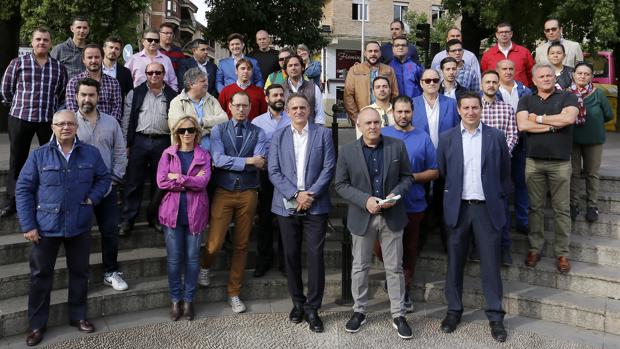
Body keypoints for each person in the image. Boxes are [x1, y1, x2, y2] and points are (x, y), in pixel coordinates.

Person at [16, 110, 110, 346]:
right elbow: (24, 189)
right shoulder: (39, 155)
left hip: (79, 224)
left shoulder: (90, 153)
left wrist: (92, 198)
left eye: (70, 123)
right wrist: (28, 225)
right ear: (53, 127)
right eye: (60, 124)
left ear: (76, 126)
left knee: (80, 273)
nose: (65, 127)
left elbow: (104, 178)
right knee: (40, 277)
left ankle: (78, 316)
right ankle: (37, 325)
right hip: (46, 227)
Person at [436, 91, 511, 343]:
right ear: (458, 110)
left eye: (475, 107)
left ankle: (495, 316)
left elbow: (504, 174)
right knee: (454, 263)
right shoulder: (446, 138)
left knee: (490, 265)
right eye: (466, 107)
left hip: (487, 209)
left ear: (481, 109)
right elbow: (443, 174)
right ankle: (453, 311)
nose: (470, 112)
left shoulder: (496, 137)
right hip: (458, 209)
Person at [335, 107, 414, 339]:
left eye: (376, 122)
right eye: (367, 123)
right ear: (358, 125)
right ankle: (359, 311)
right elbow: (340, 184)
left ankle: (398, 314)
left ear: (381, 123)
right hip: (362, 216)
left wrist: (395, 195)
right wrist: (364, 200)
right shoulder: (347, 151)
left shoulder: (396, 146)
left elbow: (407, 177)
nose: (372, 127)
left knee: (395, 268)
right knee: (359, 267)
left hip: (392, 215)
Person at [268, 94, 336, 332]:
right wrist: (296, 195)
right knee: (291, 255)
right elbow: (273, 171)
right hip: (286, 206)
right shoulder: (278, 136)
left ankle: (313, 308)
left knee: (316, 256)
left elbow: (329, 167)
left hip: (315, 205)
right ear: (287, 111)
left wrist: (309, 195)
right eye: (294, 108)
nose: (298, 111)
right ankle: (297, 302)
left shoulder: (323, 134)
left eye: (302, 107)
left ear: (309, 110)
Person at [199, 91, 267, 314]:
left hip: (248, 192)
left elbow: (261, 161)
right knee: (215, 241)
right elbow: (218, 160)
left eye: (245, 106)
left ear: (249, 108)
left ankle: (234, 292)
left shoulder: (258, 132)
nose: (241, 109)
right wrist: (247, 161)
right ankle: (205, 265)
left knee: (242, 244)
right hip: (224, 191)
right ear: (229, 106)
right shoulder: (219, 130)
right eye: (237, 105)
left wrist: (239, 162)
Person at [377, 95, 438, 312]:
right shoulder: (382, 134)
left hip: (413, 204)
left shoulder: (422, 137)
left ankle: (403, 291)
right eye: (399, 111)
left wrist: (412, 177)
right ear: (392, 111)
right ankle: (394, 277)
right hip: (385, 204)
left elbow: (434, 171)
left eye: (407, 112)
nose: (403, 116)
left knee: (409, 249)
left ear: (413, 112)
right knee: (379, 247)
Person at [516, 63, 579, 273]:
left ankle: (562, 253)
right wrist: (553, 126)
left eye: (550, 75)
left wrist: (540, 120)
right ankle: (535, 248)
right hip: (534, 162)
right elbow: (523, 125)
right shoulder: (526, 99)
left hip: (561, 162)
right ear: (534, 80)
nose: (546, 78)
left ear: (555, 78)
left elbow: (569, 118)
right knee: (535, 209)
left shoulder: (568, 97)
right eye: (541, 76)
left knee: (562, 209)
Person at [0, 27, 68, 218]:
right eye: (38, 39)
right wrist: (17, 108)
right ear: (32, 42)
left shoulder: (58, 68)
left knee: (49, 160)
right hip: (21, 118)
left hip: (47, 121)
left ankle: (45, 198)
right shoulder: (18, 63)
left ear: (51, 43)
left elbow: (62, 95)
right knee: (17, 160)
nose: (41, 43)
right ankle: (12, 201)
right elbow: (5, 90)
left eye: (45, 40)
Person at [75, 78, 129, 291]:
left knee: (110, 232)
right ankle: (81, 275)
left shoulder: (111, 122)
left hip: (106, 189)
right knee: (80, 235)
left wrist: (114, 179)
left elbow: (120, 153)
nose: (87, 99)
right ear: (77, 96)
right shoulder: (69, 122)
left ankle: (111, 271)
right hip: (79, 191)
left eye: (91, 95)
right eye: (83, 95)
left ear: (98, 97)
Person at [157, 116, 211, 321]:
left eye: (190, 130)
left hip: (195, 214)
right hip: (172, 214)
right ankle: (175, 300)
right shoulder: (168, 154)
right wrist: (190, 181)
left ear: (197, 132)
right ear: (176, 133)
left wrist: (177, 178)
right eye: (182, 130)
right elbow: (162, 182)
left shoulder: (203, 155)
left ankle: (188, 300)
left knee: (192, 259)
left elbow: (203, 182)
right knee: (173, 260)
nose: (186, 134)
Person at [120, 62, 177, 235]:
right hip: (139, 141)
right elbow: (126, 120)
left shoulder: (172, 95)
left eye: (158, 72)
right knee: (133, 182)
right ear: (145, 74)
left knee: (159, 183)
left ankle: (155, 218)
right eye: (150, 72)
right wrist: (126, 144)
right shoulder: (135, 93)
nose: (154, 76)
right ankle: (127, 220)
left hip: (162, 142)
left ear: (163, 74)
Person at [412, 69, 460, 251]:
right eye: (427, 80)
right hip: (421, 162)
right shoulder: (413, 104)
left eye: (435, 80)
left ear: (440, 82)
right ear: (421, 83)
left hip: (445, 160)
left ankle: (446, 242)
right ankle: (420, 240)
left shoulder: (451, 104)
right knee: (420, 200)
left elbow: (457, 132)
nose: (431, 83)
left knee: (443, 202)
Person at [251, 84, 291, 277]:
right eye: (274, 95)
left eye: (281, 95)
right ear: (267, 98)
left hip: (287, 178)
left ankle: (285, 263)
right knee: (265, 220)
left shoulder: (292, 119)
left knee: (286, 219)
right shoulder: (258, 122)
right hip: (266, 176)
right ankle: (263, 262)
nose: (278, 98)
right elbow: (256, 150)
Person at [480, 70, 519, 265]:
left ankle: (504, 249)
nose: (491, 85)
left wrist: (502, 155)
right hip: (477, 166)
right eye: (487, 82)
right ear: (481, 84)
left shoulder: (507, 109)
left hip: (501, 166)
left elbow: (513, 135)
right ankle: (477, 248)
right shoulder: (473, 108)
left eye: (494, 82)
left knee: (501, 208)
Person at [569, 62, 614, 222]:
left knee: (592, 173)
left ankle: (592, 206)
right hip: (573, 139)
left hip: (594, 140)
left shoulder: (598, 93)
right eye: (579, 73)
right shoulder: (567, 94)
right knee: (573, 173)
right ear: (573, 75)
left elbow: (609, 114)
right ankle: (573, 205)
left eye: (586, 74)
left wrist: (594, 122)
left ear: (591, 77)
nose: (582, 76)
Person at [497, 59, 532, 235]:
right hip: (499, 145)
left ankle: (522, 221)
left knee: (521, 183)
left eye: (511, 68)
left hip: (521, 143)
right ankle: (501, 222)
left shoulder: (525, 91)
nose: (508, 71)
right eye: (504, 69)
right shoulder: (492, 91)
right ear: (498, 71)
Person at [169, 67, 228, 151]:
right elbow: (179, 127)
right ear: (191, 84)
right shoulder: (177, 102)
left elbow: (224, 119)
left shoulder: (212, 100)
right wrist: (210, 129)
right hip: (187, 154)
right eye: (203, 81)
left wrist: (202, 122)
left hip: (212, 155)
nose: (207, 83)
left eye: (206, 80)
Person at [344, 41, 398, 124]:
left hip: (385, 118)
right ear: (365, 53)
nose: (373, 54)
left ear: (380, 53)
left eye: (376, 51)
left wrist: (391, 115)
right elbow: (348, 96)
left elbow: (395, 94)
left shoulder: (389, 70)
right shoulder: (355, 70)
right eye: (370, 51)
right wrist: (357, 119)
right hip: (363, 118)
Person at [66, 44, 122, 121]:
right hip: (81, 128)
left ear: (102, 58)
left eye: (97, 57)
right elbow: (72, 110)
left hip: (107, 128)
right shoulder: (74, 82)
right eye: (90, 57)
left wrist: (108, 126)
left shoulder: (113, 82)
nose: (93, 61)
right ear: (83, 60)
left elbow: (117, 108)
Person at [481, 22, 535, 87]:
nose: (504, 34)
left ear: (511, 34)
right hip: (497, 93)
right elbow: (485, 75)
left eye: (507, 32)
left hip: (521, 93)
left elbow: (532, 73)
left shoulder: (524, 52)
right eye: (501, 32)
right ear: (496, 35)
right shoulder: (488, 54)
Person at [281, 55, 324, 124]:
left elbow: (320, 115)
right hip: (286, 132)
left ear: (302, 68)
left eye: (296, 65)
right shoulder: (280, 89)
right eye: (290, 65)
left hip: (309, 131)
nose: (293, 68)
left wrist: (317, 132)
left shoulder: (314, 88)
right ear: (286, 70)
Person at [389, 35, 423, 100]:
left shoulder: (416, 66)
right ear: (393, 49)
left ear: (407, 48)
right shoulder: (388, 67)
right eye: (397, 45)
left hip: (414, 104)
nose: (400, 47)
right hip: (396, 105)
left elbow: (424, 85)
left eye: (403, 45)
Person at [102, 36, 134, 105]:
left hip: (118, 113)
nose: (113, 50)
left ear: (120, 52)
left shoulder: (126, 72)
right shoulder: (94, 69)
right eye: (111, 47)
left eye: (117, 49)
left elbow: (129, 97)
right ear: (104, 49)